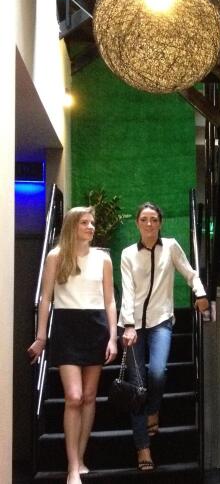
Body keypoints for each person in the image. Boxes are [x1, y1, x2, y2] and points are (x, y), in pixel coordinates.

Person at [27, 206, 118, 484]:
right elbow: (46, 298)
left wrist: (113, 336)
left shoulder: (103, 258)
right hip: (66, 328)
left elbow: (110, 300)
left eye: (92, 223)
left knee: (89, 396)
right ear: (71, 226)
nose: (91, 227)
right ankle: (72, 467)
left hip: (96, 326)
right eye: (84, 223)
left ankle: (79, 459)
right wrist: (41, 337)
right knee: (74, 396)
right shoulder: (56, 256)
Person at [119, 202, 209, 471]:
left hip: (161, 321)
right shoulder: (128, 254)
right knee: (137, 386)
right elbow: (127, 290)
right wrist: (128, 325)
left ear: (160, 223)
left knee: (157, 371)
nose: (149, 224)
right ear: (137, 223)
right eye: (144, 219)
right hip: (134, 325)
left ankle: (154, 409)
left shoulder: (170, 247)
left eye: (154, 219)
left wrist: (201, 293)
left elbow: (190, 273)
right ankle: (143, 447)